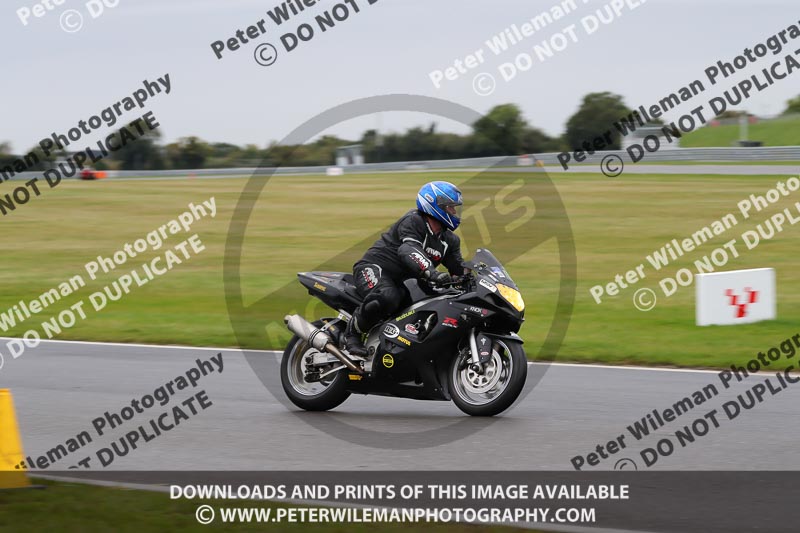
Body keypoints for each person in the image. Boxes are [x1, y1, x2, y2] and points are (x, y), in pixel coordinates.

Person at [343, 181, 466, 356]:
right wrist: (432, 273)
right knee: (388, 296)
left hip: (404, 282)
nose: (454, 212)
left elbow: (459, 268)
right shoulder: (414, 221)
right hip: (374, 268)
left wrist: (471, 278)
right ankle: (352, 334)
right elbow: (408, 250)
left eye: (455, 208)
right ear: (434, 205)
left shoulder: (450, 240)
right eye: (450, 207)